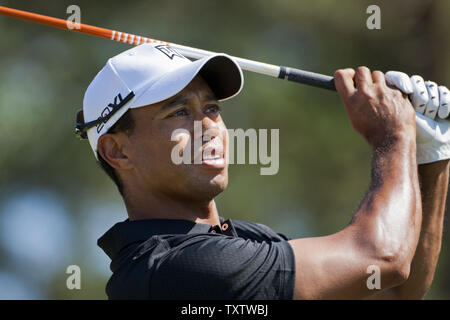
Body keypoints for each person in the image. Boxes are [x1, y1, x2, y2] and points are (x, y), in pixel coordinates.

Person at [75, 43, 450, 299]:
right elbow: (383, 258)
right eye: (178, 112)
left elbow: (389, 288)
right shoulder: (172, 270)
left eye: (211, 108)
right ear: (117, 151)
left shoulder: (247, 240)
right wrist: (393, 134)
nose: (208, 126)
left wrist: (429, 153)